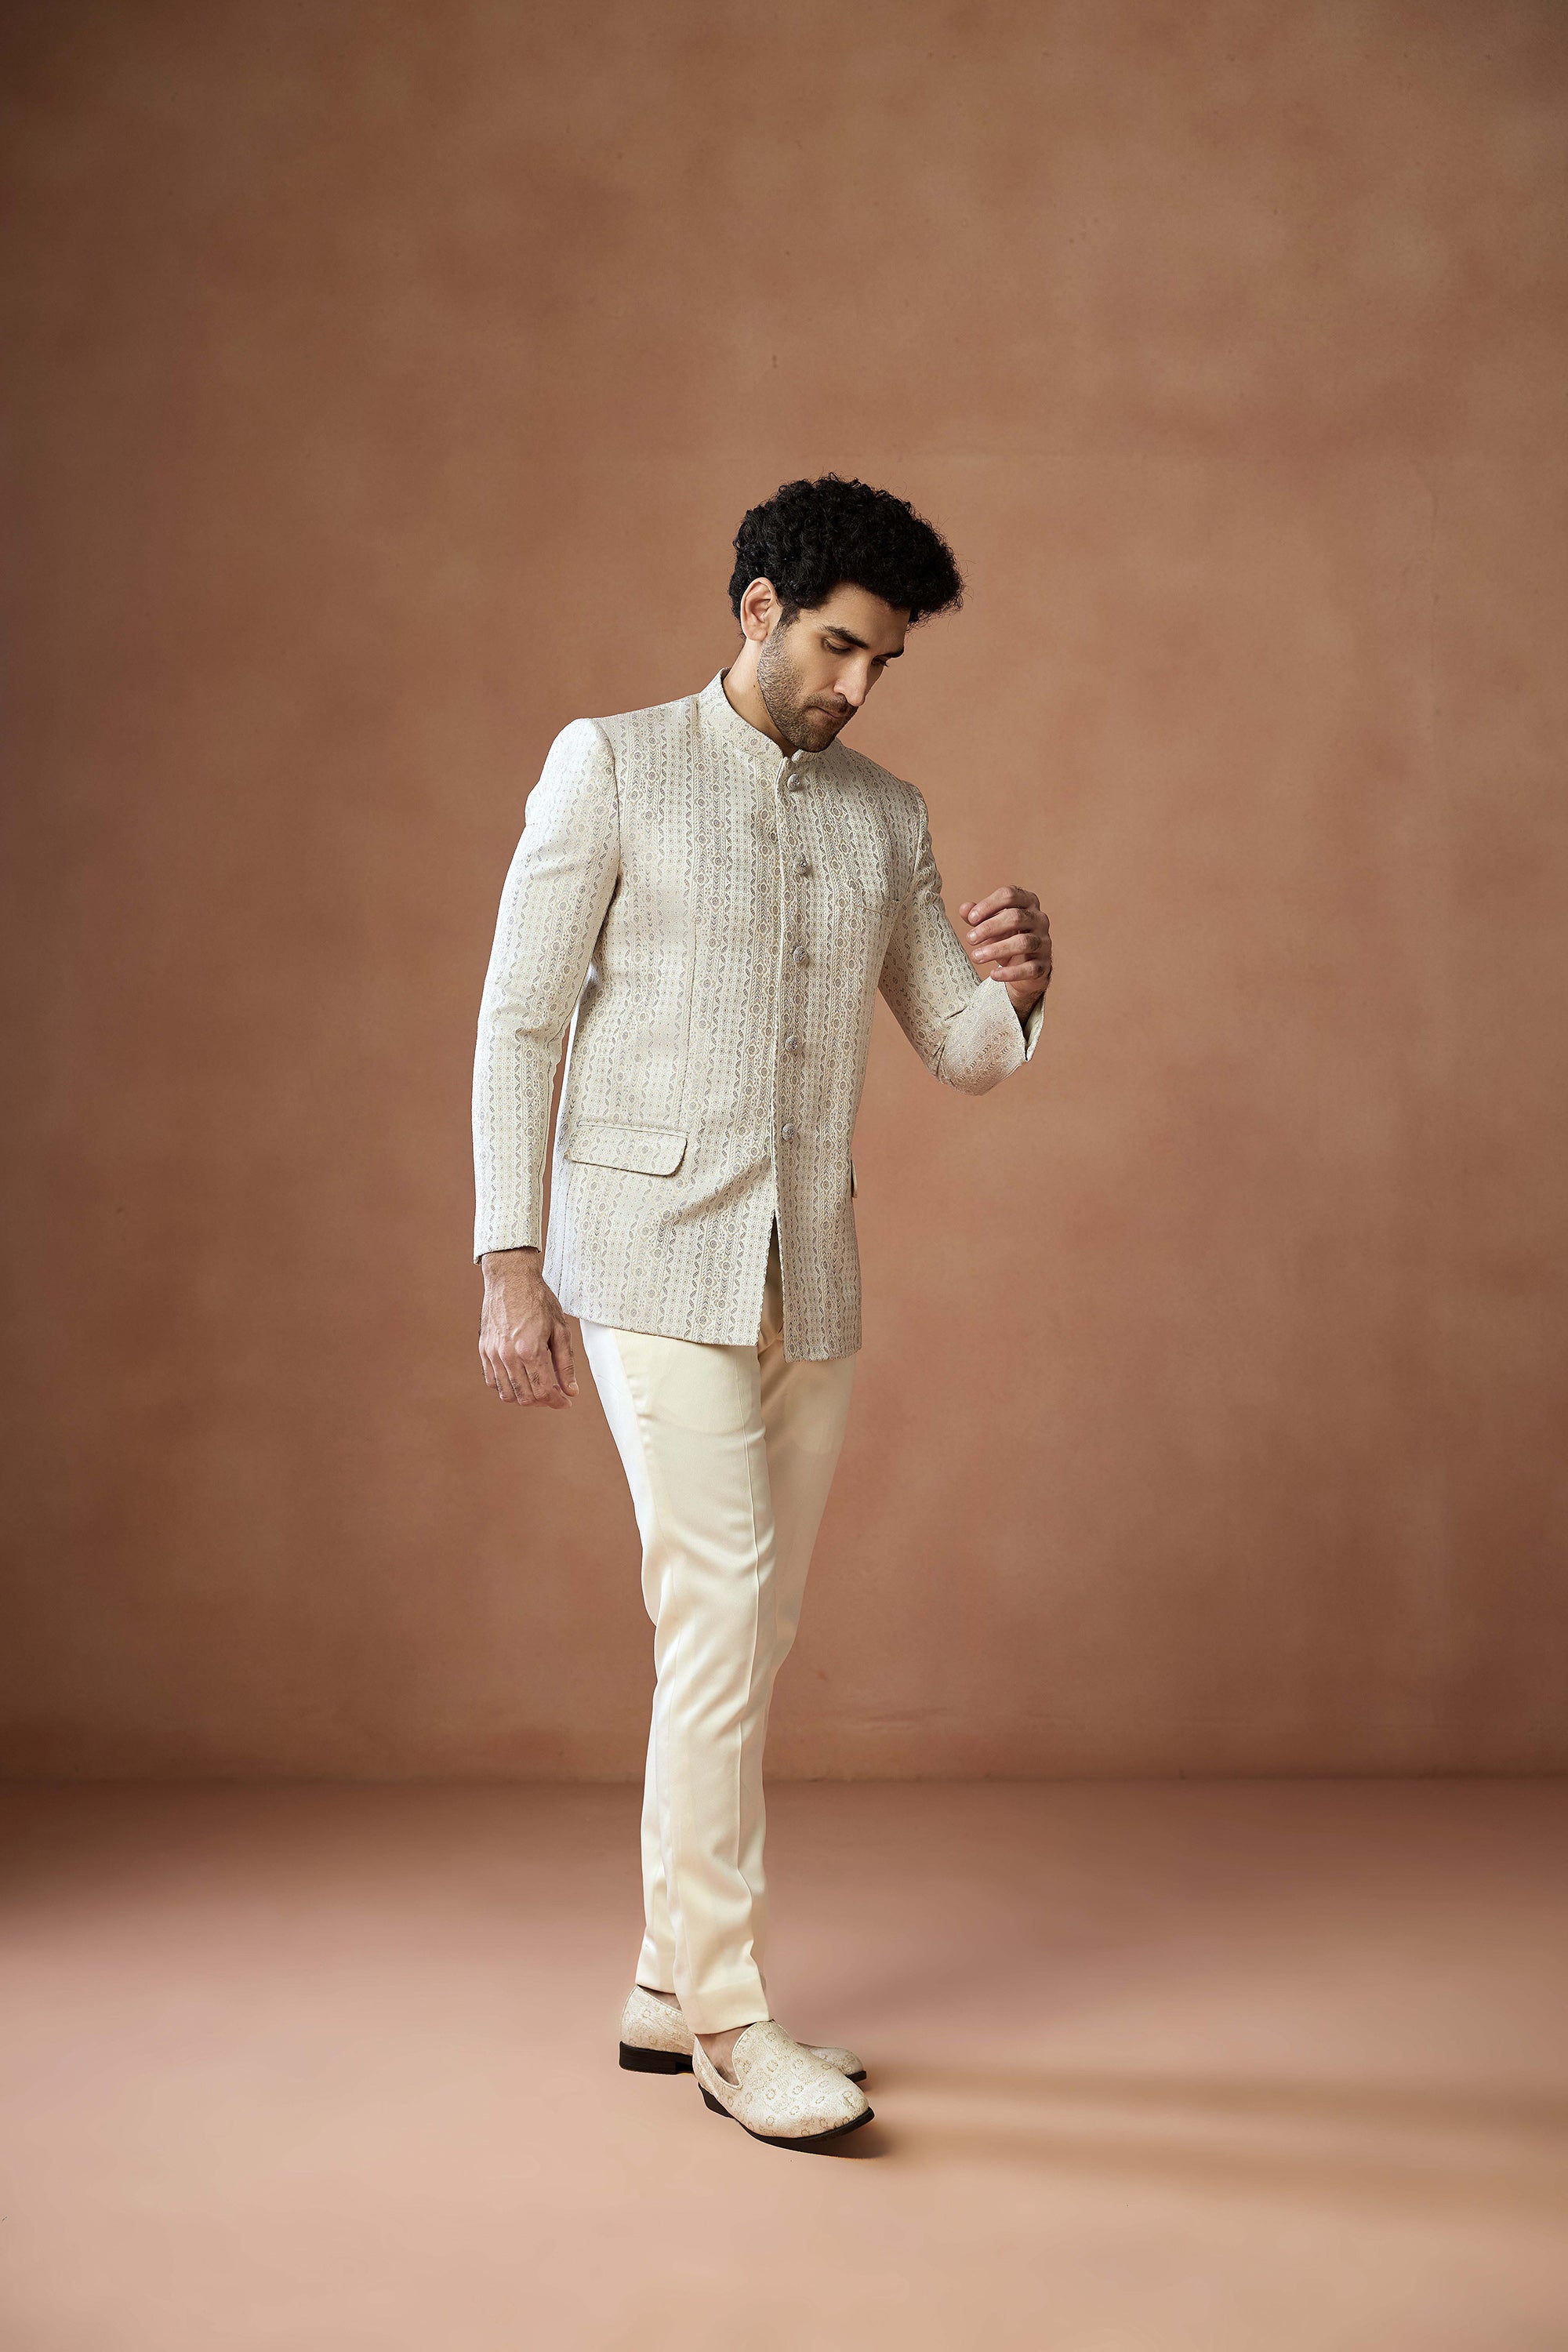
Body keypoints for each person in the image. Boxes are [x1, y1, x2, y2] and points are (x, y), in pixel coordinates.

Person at [472, 474, 1051, 2148]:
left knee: (751, 1630)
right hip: (650, 1257)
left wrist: (1029, 982)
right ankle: (732, 2023)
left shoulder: (886, 815)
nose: (858, 686)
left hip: (814, 1276)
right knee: (720, 1615)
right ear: (757, 611)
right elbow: (520, 1020)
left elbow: (961, 1048)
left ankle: (668, 1986)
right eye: (838, 648)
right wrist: (510, 1262)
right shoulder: (613, 765)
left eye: (884, 663)